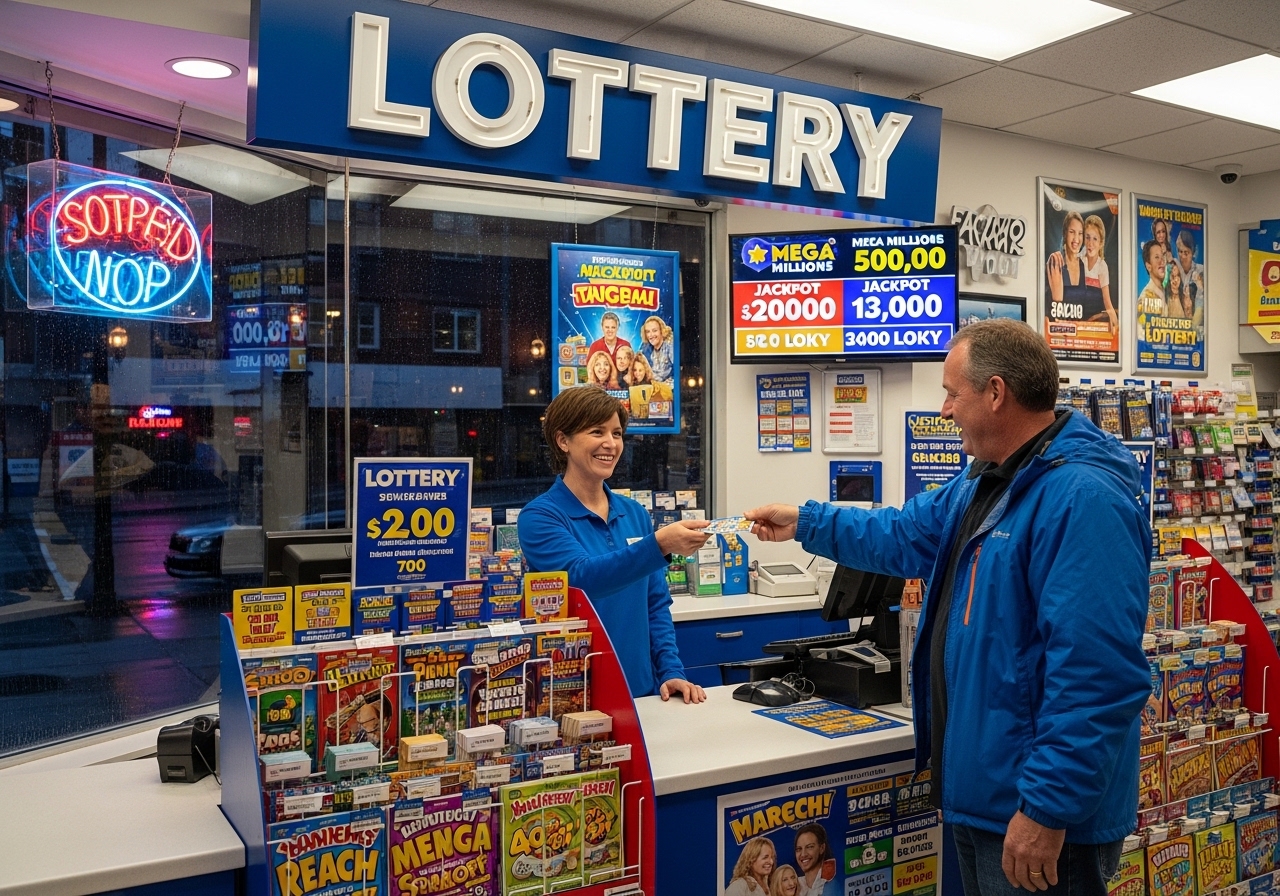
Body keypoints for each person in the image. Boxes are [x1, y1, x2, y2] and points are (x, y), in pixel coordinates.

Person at [746, 320, 1151, 896]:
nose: (945, 410)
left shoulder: (1083, 499)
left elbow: (1097, 674)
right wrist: (806, 522)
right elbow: (902, 533)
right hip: (984, 795)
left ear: (996, 392)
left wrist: (1047, 807)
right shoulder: (984, 480)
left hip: (1035, 811)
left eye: (952, 394)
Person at [517, 386, 709, 702]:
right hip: (575, 698)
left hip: (642, 693)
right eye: (597, 432)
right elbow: (582, 578)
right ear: (563, 441)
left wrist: (671, 671)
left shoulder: (634, 514)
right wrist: (659, 545)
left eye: (617, 433)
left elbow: (655, 604)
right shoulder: (540, 517)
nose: (611, 443)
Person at [1044, 211, 1087, 331]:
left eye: (1080, 233)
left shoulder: (1084, 266)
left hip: (1079, 333)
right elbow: (1054, 308)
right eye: (1072, 232)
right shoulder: (1056, 260)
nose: (1076, 239)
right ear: (1064, 233)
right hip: (1057, 331)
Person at [1081, 215, 1117, 334]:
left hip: (1094, 323)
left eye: (1095, 239)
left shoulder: (1102, 266)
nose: (1090, 243)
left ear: (1101, 243)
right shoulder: (1078, 261)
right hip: (1077, 319)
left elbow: (1107, 301)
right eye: (1087, 237)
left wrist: (1115, 323)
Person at [793, 824, 835, 896]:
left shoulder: (832, 881)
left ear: (822, 848)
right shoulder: (795, 885)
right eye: (799, 849)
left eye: (809, 847)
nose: (803, 854)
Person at [638, 314, 675, 384]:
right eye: (648, 332)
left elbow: (677, 370)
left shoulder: (670, 344)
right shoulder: (645, 348)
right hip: (651, 385)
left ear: (662, 330)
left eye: (654, 330)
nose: (651, 335)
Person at [1136, 239, 1168, 317]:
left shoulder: (1166, 291)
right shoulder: (1145, 299)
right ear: (1148, 266)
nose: (1162, 261)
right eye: (1157, 257)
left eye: (1162, 256)